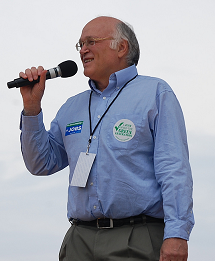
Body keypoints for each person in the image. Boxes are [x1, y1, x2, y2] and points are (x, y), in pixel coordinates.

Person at [19, 16, 194, 261]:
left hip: (138, 238)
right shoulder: (72, 106)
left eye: (91, 41)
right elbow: (40, 163)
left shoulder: (155, 93)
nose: (84, 50)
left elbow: (174, 168)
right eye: (80, 44)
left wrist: (177, 234)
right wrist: (31, 108)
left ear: (122, 47)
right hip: (79, 239)